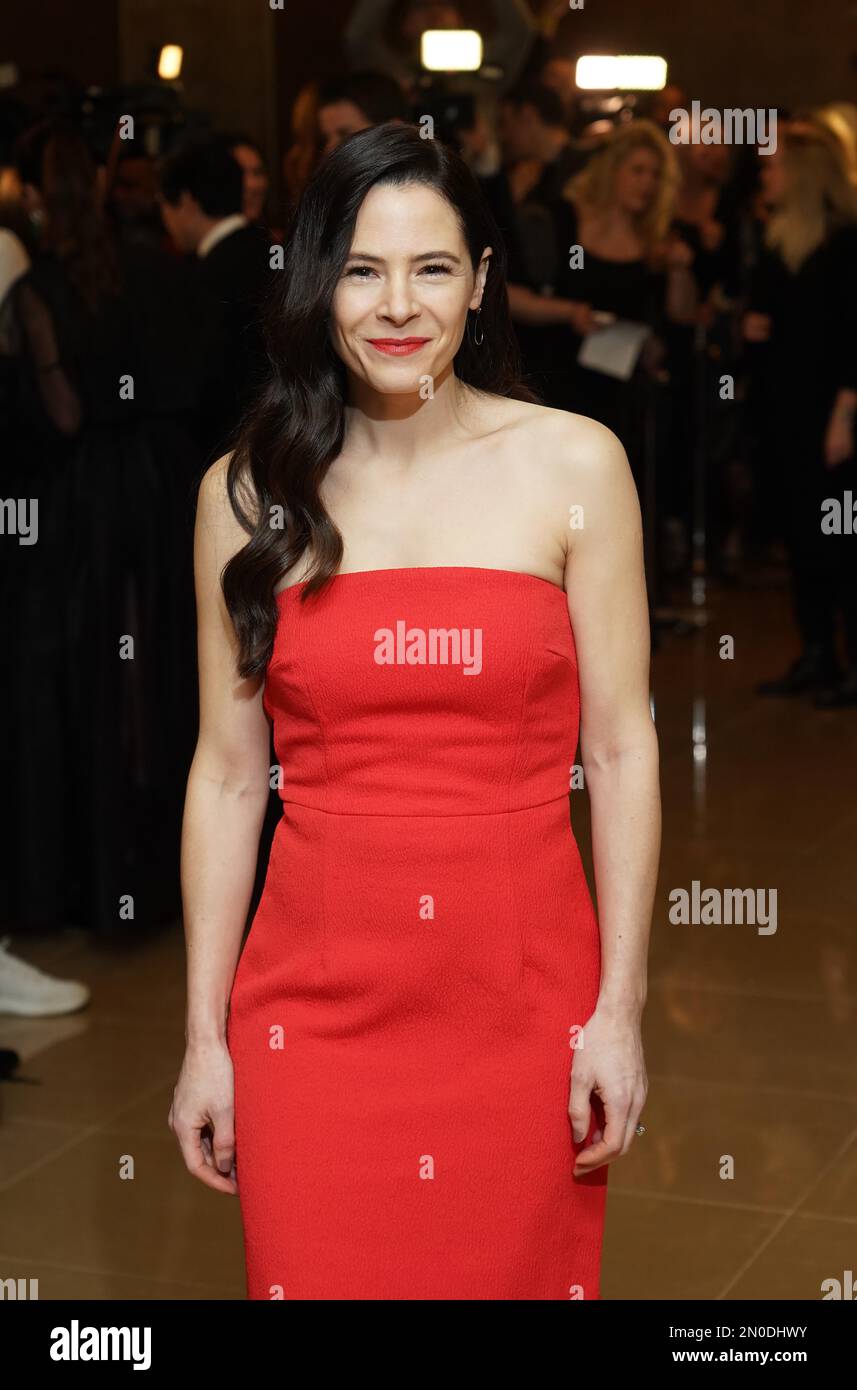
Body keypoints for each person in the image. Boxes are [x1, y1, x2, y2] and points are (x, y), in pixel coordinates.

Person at [169, 121, 658, 1301]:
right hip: (313, 1013)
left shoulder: (573, 465)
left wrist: (619, 1010)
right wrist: (204, 1039)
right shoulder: (246, 494)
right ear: (312, 281)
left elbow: (622, 743)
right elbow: (229, 777)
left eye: (431, 268)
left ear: (482, 283)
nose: (397, 307)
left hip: (520, 998)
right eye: (360, 268)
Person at [5, 121, 205, 936]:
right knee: (157, 669)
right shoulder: (160, 268)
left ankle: (96, 880)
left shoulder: (40, 286)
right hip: (157, 487)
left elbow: (62, 413)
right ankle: (153, 877)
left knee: (88, 679)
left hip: (82, 497)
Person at [748, 123, 857, 706]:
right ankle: (817, 651)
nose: (765, 175)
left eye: (774, 165)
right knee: (803, 536)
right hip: (785, 408)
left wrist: (844, 414)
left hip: (832, 413)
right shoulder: (779, 238)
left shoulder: (844, 243)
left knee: (843, 535)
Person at [158, 134, 275, 459]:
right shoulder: (275, 251)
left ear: (186, 201)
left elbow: (202, 390)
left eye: (164, 207)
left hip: (231, 453)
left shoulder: (203, 279)